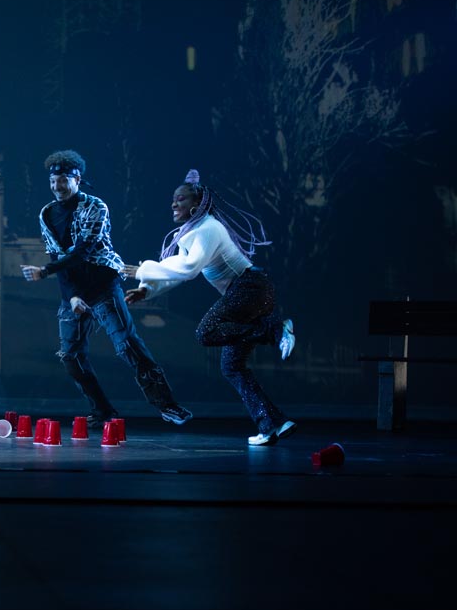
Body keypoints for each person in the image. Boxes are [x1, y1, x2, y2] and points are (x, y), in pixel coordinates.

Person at [20, 150, 190, 433]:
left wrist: (44, 272)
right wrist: (71, 295)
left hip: (102, 285)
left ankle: (167, 404)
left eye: (62, 180)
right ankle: (102, 410)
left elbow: (82, 251)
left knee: (128, 346)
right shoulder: (47, 214)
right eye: (52, 181)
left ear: (77, 179)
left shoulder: (95, 207)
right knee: (71, 356)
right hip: (73, 288)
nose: (57, 186)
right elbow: (57, 255)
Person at [123, 169, 296, 446]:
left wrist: (141, 269)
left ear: (196, 204)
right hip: (245, 294)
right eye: (172, 200)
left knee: (206, 332)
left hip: (249, 289)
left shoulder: (209, 228)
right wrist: (146, 289)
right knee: (232, 367)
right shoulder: (191, 232)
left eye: (180, 199)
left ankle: (275, 329)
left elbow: (190, 269)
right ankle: (273, 423)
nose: (173, 204)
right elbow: (176, 270)